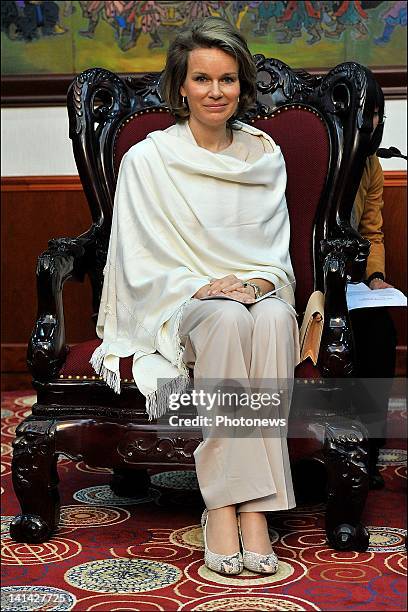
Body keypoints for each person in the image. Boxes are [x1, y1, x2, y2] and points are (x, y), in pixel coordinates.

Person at [91, 16, 299, 576]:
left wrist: (255, 283)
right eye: (202, 79)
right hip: (183, 302)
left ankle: (248, 505)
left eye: (227, 79)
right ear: (180, 85)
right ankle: (229, 506)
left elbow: (273, 255)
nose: (215, 92)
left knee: (276, 320)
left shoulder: (264, 157)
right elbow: (138, 262)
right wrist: (203, 287)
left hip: (254, 295)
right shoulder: (149, 160)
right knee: (227, 320)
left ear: (242, 85)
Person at [350, 79, 398, 489]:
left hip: (351, 278)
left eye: (372, 115)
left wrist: (375, 277)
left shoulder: (372, 165)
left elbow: (372, 234)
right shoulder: (304, 151)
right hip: (298, 277)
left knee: (379, 332)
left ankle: (367, 449)